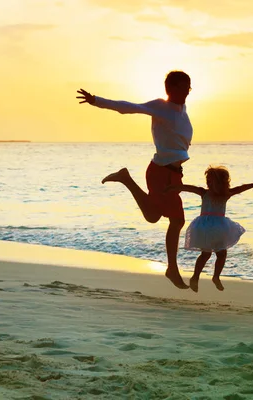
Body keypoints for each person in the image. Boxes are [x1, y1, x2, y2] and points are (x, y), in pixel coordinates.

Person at [76, 71, 193, 289]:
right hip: (161, 173)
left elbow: (177, 137)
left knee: (154, 216)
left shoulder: (182, 109)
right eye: (184, 87)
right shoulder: (160, 107)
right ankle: (172, 269)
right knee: (174, 220)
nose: (188, 91)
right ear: (172, 88)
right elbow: (127, 107)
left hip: (172, 173)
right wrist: (96, 101)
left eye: (189, 87)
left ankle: (126, 178)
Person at [166, 166, 253, 292]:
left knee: (221, 254)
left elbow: (241, 188)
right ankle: (196, 277)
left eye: (211, 180)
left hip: (216, 229)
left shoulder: (225, 194)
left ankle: (215, 277)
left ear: (221, 182)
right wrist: (173, 187)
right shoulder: (204, 192)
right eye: (208, 180)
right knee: (206, 254)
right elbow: (187, 188)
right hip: (208, 228)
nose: (208, 183)